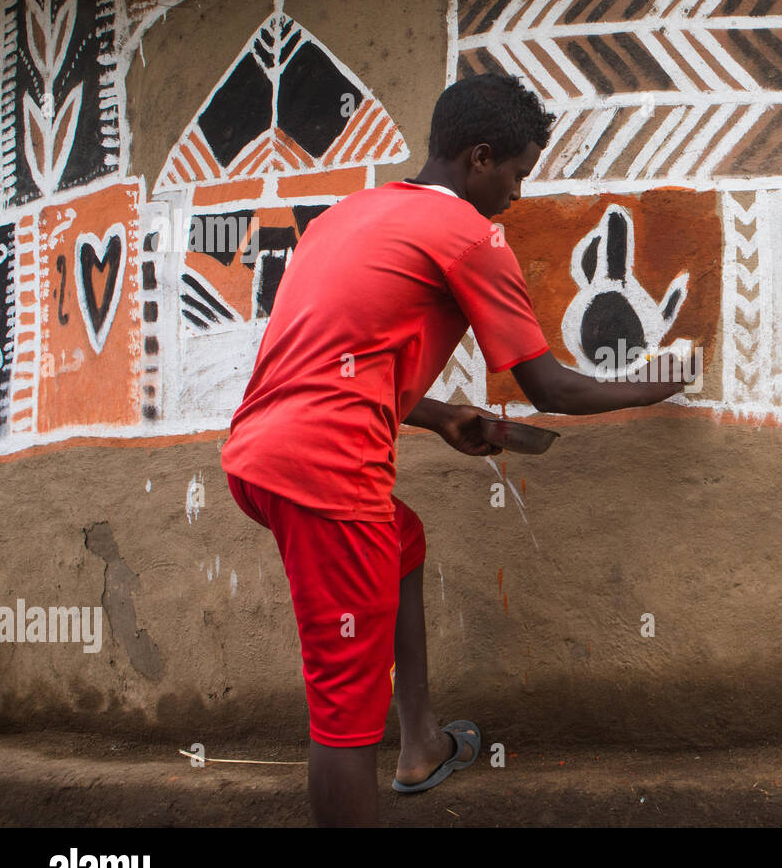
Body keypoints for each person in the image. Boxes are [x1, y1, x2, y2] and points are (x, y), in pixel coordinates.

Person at [220, 73, 690, 826]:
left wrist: (438, 416)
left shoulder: (349, 215)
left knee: (402, 541)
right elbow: (550, 389)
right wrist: (649, 384)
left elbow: (329, 368)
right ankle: (387, 755)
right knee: (344, 715)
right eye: (517, 172)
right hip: (327, 478)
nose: (516, 194)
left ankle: (423, 745)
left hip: (258, 457)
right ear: (479, 158)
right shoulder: (472, 235)